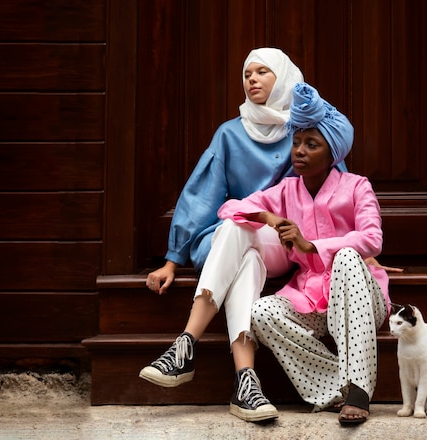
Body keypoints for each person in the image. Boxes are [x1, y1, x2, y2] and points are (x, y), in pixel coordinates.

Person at [232, 82, 390, 425]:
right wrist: (271, 217)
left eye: (311, 145)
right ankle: (337, 386)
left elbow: (372, 239)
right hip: (311, 301)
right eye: (297, 142)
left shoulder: (357, 186)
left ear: (332, 154)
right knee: (260, 312)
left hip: (361, 298)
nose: (299, 151)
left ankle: (360, 390)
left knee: (347, 256)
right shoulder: (286, 189)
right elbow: (233, 209)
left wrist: (312, 246)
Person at [145, 47, 305, 295]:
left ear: (284, 77)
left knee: (245, 253)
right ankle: (240, 334)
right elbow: (201, 197)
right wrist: (172, 262)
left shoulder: (306, 132)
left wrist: (358, 251)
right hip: (239, 229)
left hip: (287, 238)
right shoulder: (229, 134)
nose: (252, 79)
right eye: (247, 74)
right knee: (230, 247)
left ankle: (194, 332)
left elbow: (335, 190)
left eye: (262, 71)